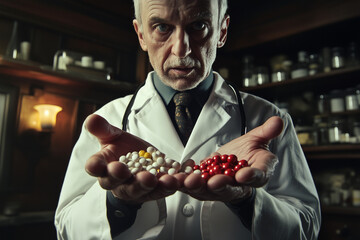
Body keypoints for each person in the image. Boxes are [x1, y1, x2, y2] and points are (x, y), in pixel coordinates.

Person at [55, 0, 321, 239]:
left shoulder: (267, 119)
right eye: (161, 27)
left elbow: (307, 228)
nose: (181, 48)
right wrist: (118, 203)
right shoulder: (107, 121)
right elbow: (66, 229)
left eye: (198, 25)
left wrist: (247, 201)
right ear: (141, 35)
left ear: (222, 31)